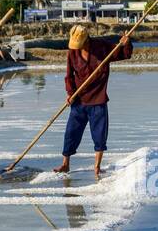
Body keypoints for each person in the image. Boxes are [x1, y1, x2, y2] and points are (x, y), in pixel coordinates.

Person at [53, 23, 132, 177]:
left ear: (87, 40)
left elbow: (123, 54)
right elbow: (69, 76)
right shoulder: (72, 53)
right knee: (71, 133)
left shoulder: (101, 47)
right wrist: (70, 93)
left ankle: (97, 167)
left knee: (99, 135)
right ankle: (65, 164)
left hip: (98, 99)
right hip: (78, 99)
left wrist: (125, 44)